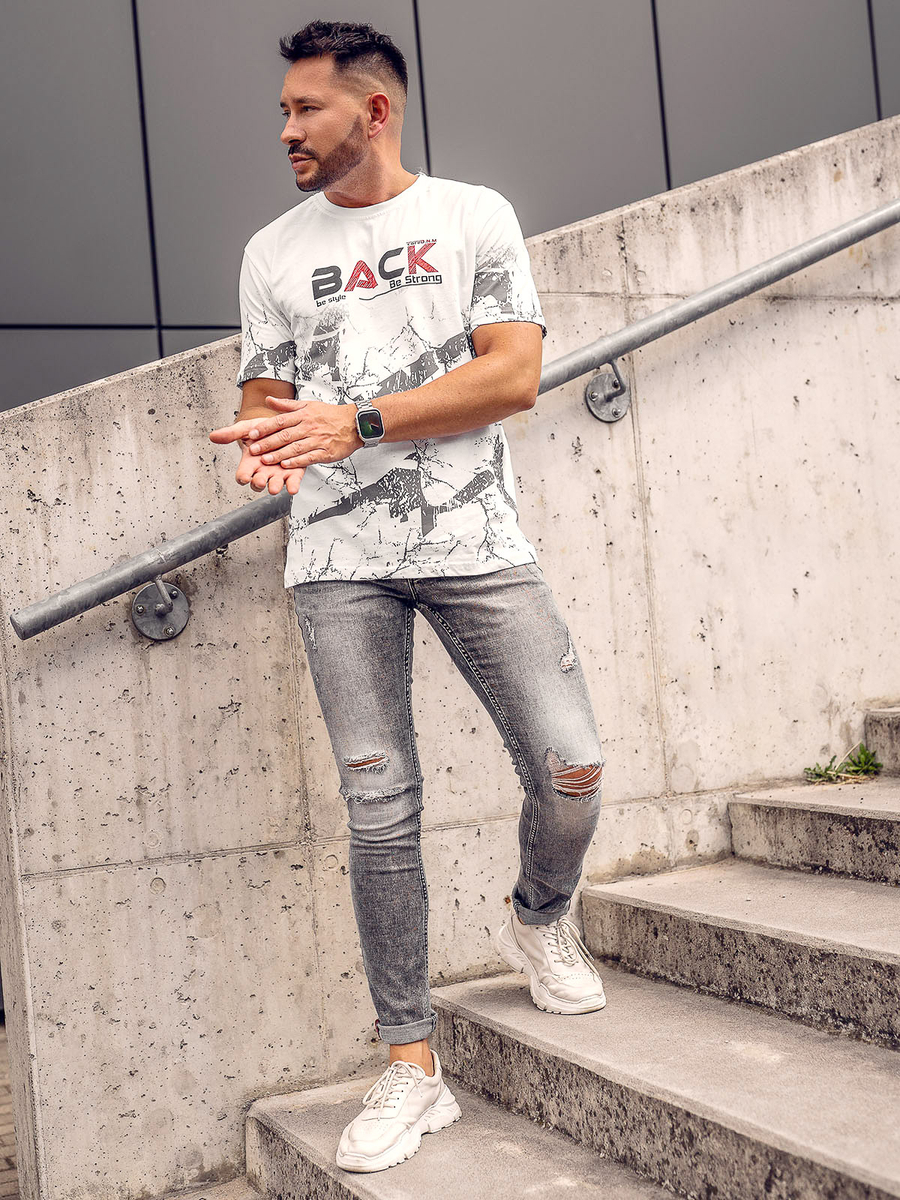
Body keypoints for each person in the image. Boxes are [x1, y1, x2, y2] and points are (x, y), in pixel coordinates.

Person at [209, 18, 607, 1176]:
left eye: (306, 109)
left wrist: (360, 420)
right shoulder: (272, 251)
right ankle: (411, 1064)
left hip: (477, 540)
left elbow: (513, 374)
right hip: (339, 562)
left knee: (573, 766)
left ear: (373, 111)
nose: (287, 129)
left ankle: (539, 913)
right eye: (284, 111)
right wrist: (264, 440)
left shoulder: (473, 217)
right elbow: (266, 389)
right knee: (379, 810)